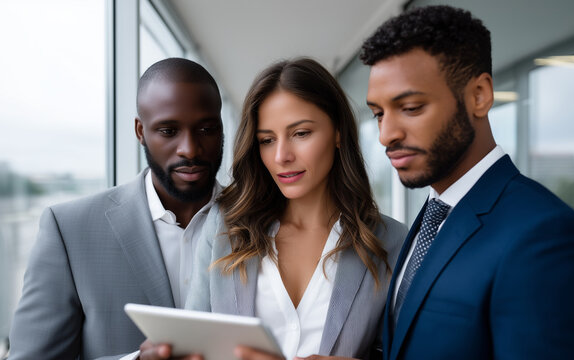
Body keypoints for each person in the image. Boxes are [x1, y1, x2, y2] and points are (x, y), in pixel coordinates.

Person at [359, 5, 574, 360]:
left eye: (411, 107)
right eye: (378, 114)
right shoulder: (434, 217)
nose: (386, 134)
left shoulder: (550, 242)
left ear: (479, 95)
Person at [140, 58, 408, 360]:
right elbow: (194, 341)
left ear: (337, 132)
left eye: (301, 133)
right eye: (267, 140)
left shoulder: (392, 242)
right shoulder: (224, 227)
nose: (281, 156)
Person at [8, 57, 225, 360]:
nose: (189, 148)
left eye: (205, 129)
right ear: (140, 131)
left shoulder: (265, 221)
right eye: (168, 130)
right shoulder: (70, 230)